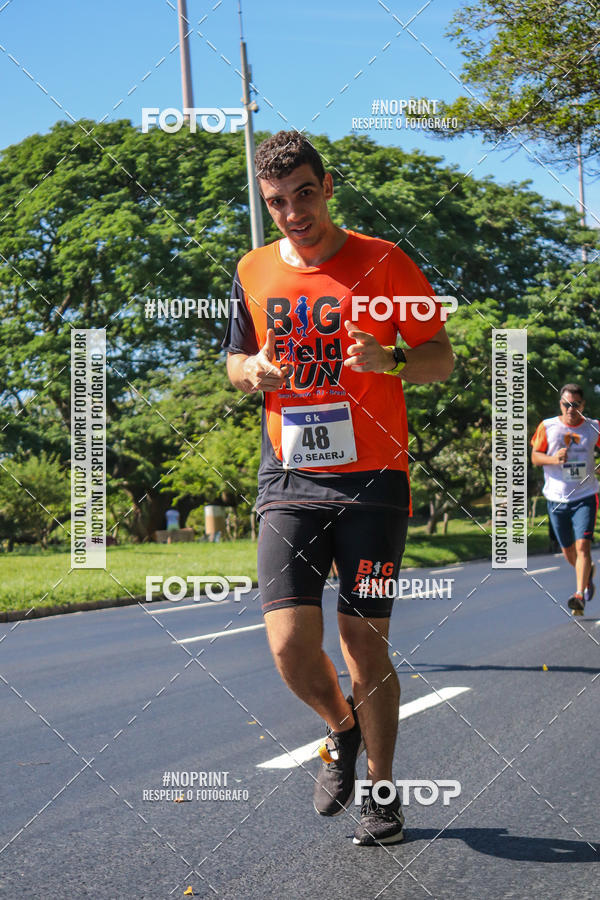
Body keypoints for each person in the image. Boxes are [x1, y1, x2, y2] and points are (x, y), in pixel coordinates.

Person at [222, 130, 454, 845]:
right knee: (291, 643)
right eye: (277, 202)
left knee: (362, 641)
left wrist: (389, 360)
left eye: (304, 195)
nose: (293, 212)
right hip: (289, 474)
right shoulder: (253, 270)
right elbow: (233, 360)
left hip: (374, 479)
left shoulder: (385, 261)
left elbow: (440, 361)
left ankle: (382, 794)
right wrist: (252, 373)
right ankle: (340, 730)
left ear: (328, 187)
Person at [531, 383, 599, 614]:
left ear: (583, 405)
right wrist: (554, 459)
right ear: (560, 404)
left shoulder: (593, 427)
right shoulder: (548, 426)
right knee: (568, 550)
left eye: (576, 405)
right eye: (566, 404)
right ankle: (587, 575)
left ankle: (579, 595)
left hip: (585, 495)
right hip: (556, 497)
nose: (571, 409)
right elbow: (535, 457)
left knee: (582, 545)